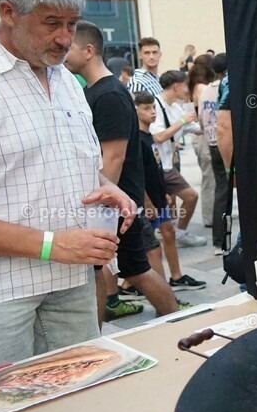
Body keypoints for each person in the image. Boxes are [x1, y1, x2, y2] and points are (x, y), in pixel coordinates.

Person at [0, 0, 137, 364]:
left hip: (72, 283)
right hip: (2, 297)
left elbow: (73, 164)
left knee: (78, 401)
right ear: (8, 12)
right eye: (51, 22)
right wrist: (54, 245)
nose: (64, 38)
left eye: (72, 25)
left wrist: (110, 190)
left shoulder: (66, 81)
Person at [67, 20, 181, 321]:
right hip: (115, 201)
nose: (64, 51)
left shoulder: (109, 95)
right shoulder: (97, 91)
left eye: (70, 46)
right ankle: (98, 338)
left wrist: (102, 205)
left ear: (89, 50)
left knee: (135, 268)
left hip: (117, 202)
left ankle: (175, 322)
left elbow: (113, 158)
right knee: (109, 267)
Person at [132, 92, 204, 293]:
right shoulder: (137, 139)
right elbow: (138, 174)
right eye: (146, 109)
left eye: (153, 107)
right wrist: (147, 202)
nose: (153, 112)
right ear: (135, 110)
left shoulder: (148, 137)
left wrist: (163, 193)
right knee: (148, 247)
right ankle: (145, 286)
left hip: (158, 195)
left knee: (169, 232)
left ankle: (176, 276)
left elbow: (155, 168)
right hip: (147, 201)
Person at [151, 70, 208, 249]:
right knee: (155, 208)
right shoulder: (154, 105)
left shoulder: (176, 108)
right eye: (185, 86)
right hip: (154, 167)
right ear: (176, 86)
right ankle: (152, 240)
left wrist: (207, 115)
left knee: (190, 197)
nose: (187, 90)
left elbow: (197, 129)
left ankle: (180, 233)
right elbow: (159, 136)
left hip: (169, 167)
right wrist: (182, 122)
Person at [201, 54, 226, 254]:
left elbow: (202, 117)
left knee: (221, 191)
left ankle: (218, 242)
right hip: (227, 143)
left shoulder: (204, 91)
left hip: (211, 142)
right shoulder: (229, 86)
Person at [187, 60, 217, 230]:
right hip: (205, 136)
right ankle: (210, 215)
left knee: (208, 175)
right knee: (210, 176)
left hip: (198, 136)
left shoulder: (192, 89)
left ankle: (211, 213)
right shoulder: (204, 89)